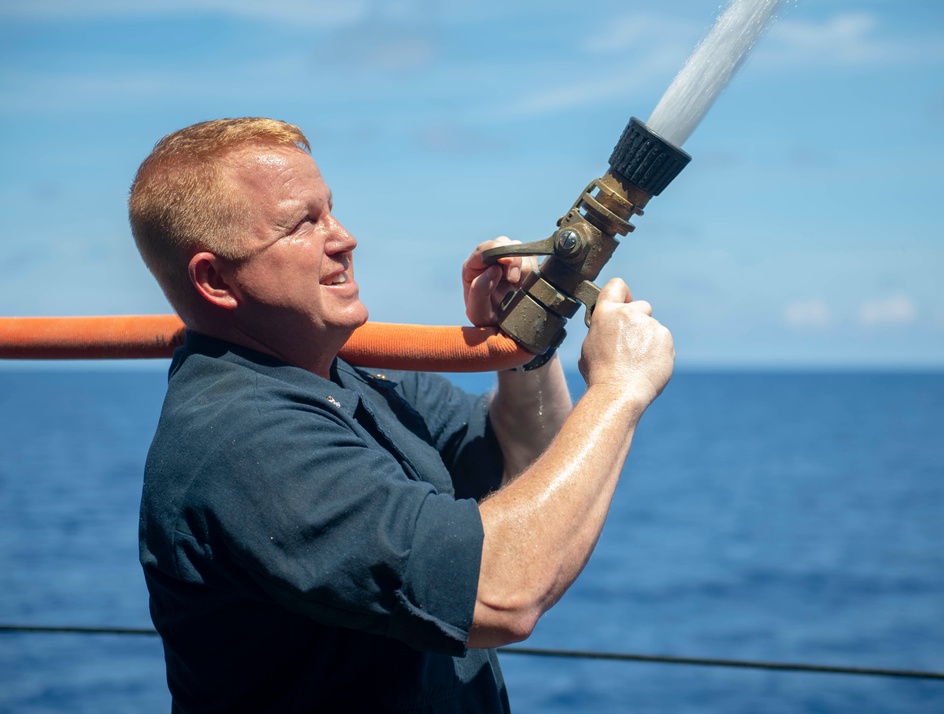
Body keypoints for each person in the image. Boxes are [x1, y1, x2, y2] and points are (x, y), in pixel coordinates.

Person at [129, 117, 674, 713]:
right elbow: (499, 591)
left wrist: (529, 340)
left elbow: (524, 456)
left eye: (330, 210)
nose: (344, 238)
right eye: (302, 224)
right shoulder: (242, 439)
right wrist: (619, 390)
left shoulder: (347, 372)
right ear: (214, 279)